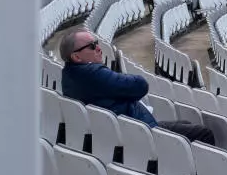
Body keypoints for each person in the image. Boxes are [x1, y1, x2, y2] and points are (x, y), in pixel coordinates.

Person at [60, 29, 214, 145]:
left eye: (97, 44)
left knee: (185, 125)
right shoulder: (93, 73)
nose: (99, 49)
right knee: (204, 133)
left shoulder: (69, 75)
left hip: (125, 130)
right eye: (92, 46)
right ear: (76, 56)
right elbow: (140, 86)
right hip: (139, 135)